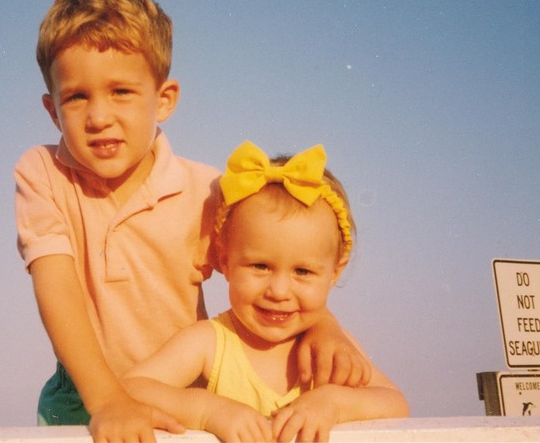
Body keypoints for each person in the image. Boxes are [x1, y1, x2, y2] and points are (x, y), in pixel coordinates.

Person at [14, 0, 372, 442]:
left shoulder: (207, 190)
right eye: (77, 96)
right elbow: (56, 286)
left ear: (164, 99)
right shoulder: (42, 172)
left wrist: (327, 327)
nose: (98, 116)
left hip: (185, 399)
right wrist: (108, 402)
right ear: (52, 109)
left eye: (121, 91)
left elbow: (269, 269)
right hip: (84, 398)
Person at [124, 141, 410, 442]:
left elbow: (395, 403)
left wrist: (332, 403)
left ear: (334, 273)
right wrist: (208, 411)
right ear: (225, 260)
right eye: (260, 266)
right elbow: (131, 388)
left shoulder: (330, 347)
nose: (279, 290)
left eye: (302, 271)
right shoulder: (211, 342)